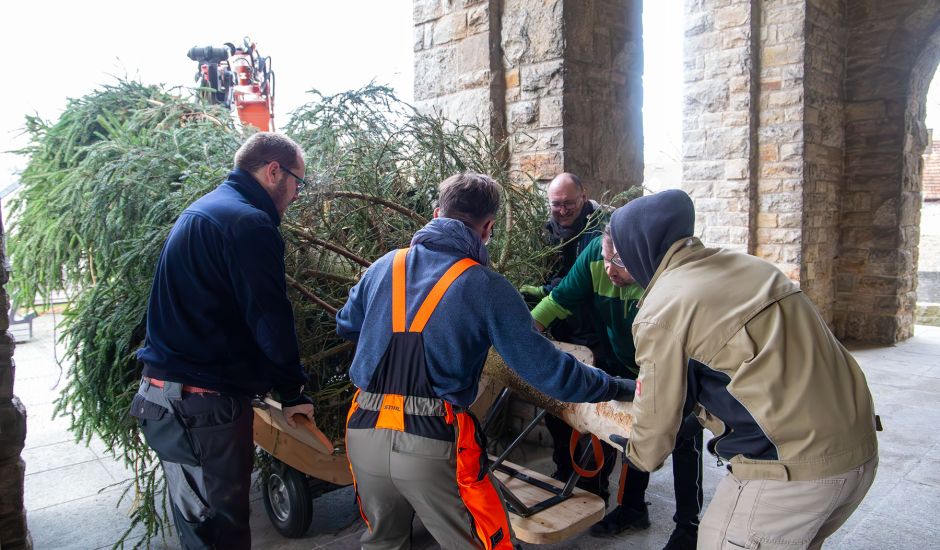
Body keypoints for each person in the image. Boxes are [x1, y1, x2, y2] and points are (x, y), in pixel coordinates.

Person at [335, 172, 635, 550]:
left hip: (363, 430)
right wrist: (613, 386)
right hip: (433, 440)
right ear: (488, 227)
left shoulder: (384, 265)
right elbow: (547, 371)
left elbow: (346, 324)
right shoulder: (486, 285)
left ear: (436, 212)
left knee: (383, 542)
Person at [608, 189, 880, 550]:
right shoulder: (750, 267)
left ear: (638, 250)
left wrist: (637, 452)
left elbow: (655, 429)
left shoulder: (663, 309)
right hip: (859, 451)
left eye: (618, 256)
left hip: (794, 472)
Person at [131, 132, 315, 549]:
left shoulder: (207, 210)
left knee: (201, 530)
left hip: (168, 401)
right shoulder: (248, 223)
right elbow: (270, 317)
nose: (298, 194)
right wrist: (292, 391)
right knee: (220, 535)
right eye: (298, 183)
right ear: (273, 172)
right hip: (198, 410)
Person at [530, 225, 703, 549]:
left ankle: (688, 527)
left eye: (619, 262)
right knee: (622, 430)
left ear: (643, 257)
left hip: (674, 367)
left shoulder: (670, 278)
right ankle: (631, 507)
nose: (609, 268)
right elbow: (557, 301)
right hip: (623, 359)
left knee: (682, 438)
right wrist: (523, 340)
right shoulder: (596, 254)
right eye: (606, 258)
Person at [520, 173, 603, 345]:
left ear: (584, 197)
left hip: (595, 326)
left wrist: (549, 289)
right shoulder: (544, 232)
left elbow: (588, 279)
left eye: (569, 203)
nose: (563, 211)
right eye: (556, 204)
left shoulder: (601, 231)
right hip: (557, 322)